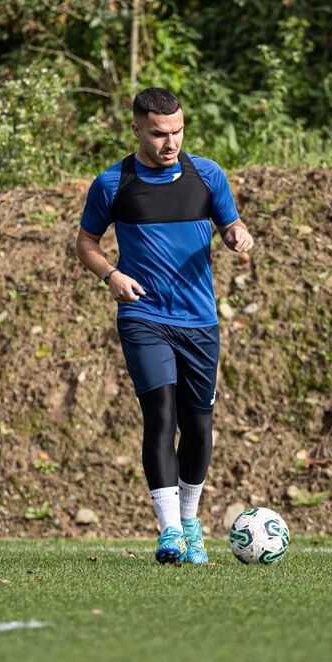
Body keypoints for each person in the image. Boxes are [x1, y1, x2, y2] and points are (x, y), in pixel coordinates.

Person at [75, 87, 253, 564]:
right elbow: (86, 243)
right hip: (144, 316)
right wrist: (111, 275)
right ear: (137, 129)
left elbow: (231, 225)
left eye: (177, 131)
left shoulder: (207, 175)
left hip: (200, 321)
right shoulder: (112, 184)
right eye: (158, 134)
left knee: (198, 427)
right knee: (161, 416)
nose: (170, 142)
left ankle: (191, 522)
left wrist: (237, 233)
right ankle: (170, 531)